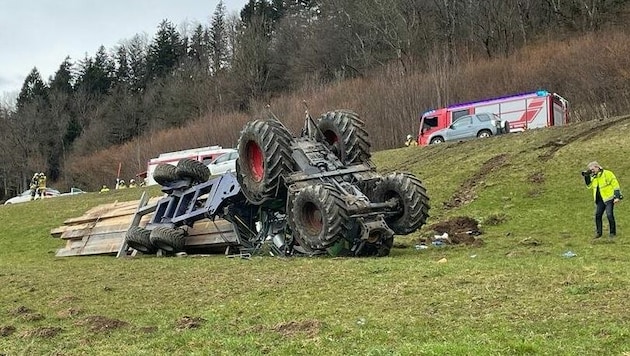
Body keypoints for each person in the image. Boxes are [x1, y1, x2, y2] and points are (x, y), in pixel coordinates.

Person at [583, 161, 622, 238]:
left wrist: (617, 196)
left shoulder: (607, 173)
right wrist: (586, 176)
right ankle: (599, 233)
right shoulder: (594, 176)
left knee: (609, 215)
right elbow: (589, 186)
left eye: (592, 169)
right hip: (600, 200)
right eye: (590, 170)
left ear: (597, 167)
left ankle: (612, 233)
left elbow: (615, 184)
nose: (592, 171)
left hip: (609, 198)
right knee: (598, 215)